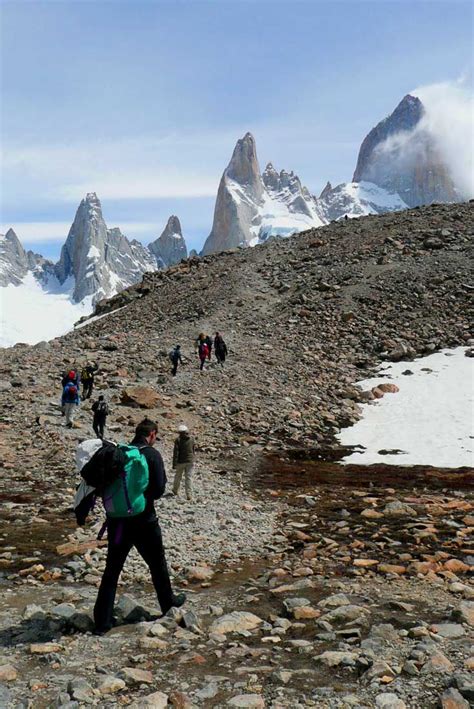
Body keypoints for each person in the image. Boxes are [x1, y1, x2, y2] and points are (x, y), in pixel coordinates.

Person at [93, 418, 186, 634]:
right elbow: (159, 489)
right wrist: (142, 499)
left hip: (117, 523)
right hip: (144, 520)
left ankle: (102, 620)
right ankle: (167, 605)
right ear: (152, 434)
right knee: (157, 564)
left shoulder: (122, 453)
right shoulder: (151, 454)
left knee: (112, 570)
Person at [172, 425, 195, 501]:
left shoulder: (178, 440)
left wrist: (174, 464)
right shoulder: (192, 439)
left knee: (178, 476)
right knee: (189, 478)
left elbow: (176, 453)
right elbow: (193, 450)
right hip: (190, 461)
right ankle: (189, 495)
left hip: (181, 461)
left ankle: (175, 491)